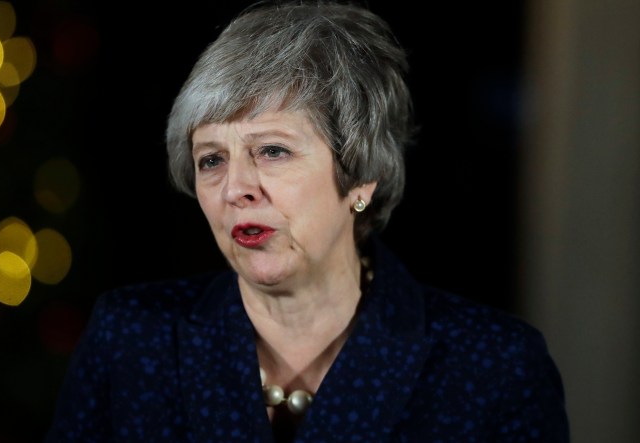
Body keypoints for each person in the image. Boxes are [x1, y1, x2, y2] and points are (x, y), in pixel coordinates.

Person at [44, 1, 570, 441]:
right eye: (211, 159)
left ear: (361, 178)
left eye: (271, 150)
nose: (234, 188)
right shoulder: (131, 338)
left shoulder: (495, 366)